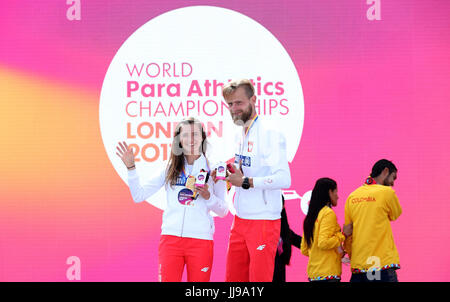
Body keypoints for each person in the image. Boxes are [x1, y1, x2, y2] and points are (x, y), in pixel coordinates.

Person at [115, 117, 228, 282]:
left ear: (203, 138)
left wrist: (208, 197)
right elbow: (138, 195)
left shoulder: (214, 169)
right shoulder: (170, 168)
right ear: (179, 140)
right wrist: (131, 168)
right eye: (186, 135)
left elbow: (224, 210)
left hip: (201, 241)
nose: (191, 140)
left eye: (195, 134)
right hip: (171, 240)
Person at [221, 79, 291, 282]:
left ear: (254, 99)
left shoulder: (269, 132)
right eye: (230, 104)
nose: (234, 108)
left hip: (263, 221)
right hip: (240, 219)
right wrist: (230, 174)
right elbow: (245, 170)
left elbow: (284, 179)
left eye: (239, 103)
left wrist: (246, 181)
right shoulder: (239, 133)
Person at [343, 159, 402, 282]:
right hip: (381, 264)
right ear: (385, 171)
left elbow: (348, 232)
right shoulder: (387, 192)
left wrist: (353, 256)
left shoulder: (352, 196)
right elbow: (395, 214)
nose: (393, 183)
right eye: (393, 178)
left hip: (359, 266)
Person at [300, 178, 345, 282]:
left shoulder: (310, 216)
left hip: (314, 275)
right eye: (336, 191)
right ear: (330, 192)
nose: (338, 196)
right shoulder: (328, 213)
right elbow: (323, 243)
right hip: (329, 275)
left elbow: (304, 249)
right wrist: (342, 235)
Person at [272, 195, 302, 282]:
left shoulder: (283, 229)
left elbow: (300, 242)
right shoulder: (260, 226)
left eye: (280, 204)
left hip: (279, 272)